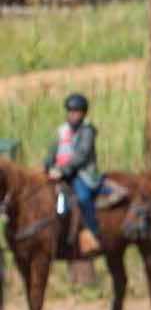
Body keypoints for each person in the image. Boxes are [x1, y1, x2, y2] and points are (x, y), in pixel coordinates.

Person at [47, 92, 104, 257]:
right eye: (70, 111)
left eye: (76, 111)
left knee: (82, 197)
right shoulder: (62, 131)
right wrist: (45, 166)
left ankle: (93, 233)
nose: (72, 114)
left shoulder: (88, 130)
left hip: (82, 174)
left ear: (83, 113)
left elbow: (82, 155)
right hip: (61, 174)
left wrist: (62, 170)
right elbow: (52, 152)